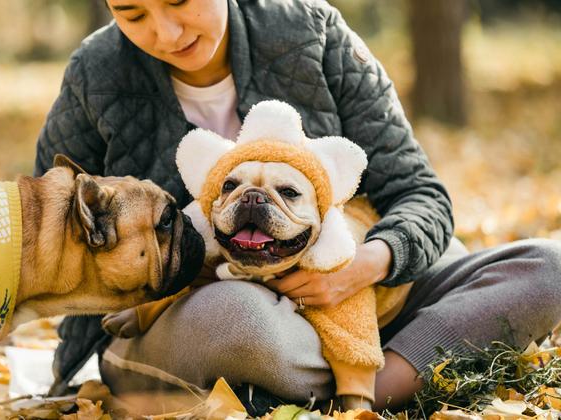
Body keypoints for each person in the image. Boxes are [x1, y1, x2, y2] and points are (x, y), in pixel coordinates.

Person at [34, 0, 561, 413]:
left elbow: (421, 194)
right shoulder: (95, 74)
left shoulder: (311, 30)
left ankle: (360, 388)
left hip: (361, 289)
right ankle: (401, 372)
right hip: (202, 315)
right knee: (237, 317)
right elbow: (55, 230)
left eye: (180, 1)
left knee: (546, 267)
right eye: (132, 13)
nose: (167, 32)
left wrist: (364, 266)